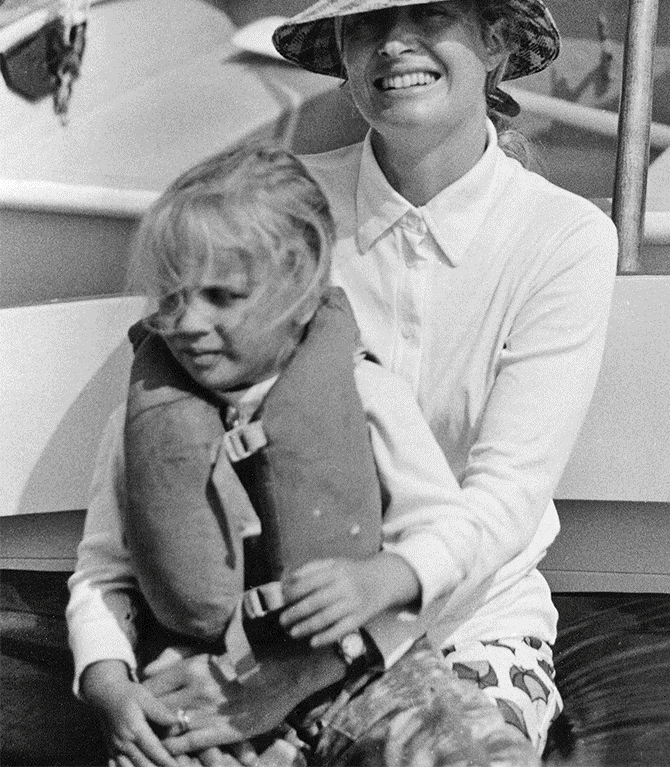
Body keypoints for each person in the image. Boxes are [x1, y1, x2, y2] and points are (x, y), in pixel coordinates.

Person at [67, 145, 537, 767]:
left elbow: (449, 528)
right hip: (203, 681)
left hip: (363, 673)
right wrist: (107, 683)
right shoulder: (136, 427)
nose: (187, 322)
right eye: (170, 298)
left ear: (303, 286)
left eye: (222, 296)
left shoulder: (364, 393)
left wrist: (381, 580)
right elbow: (104, 573)